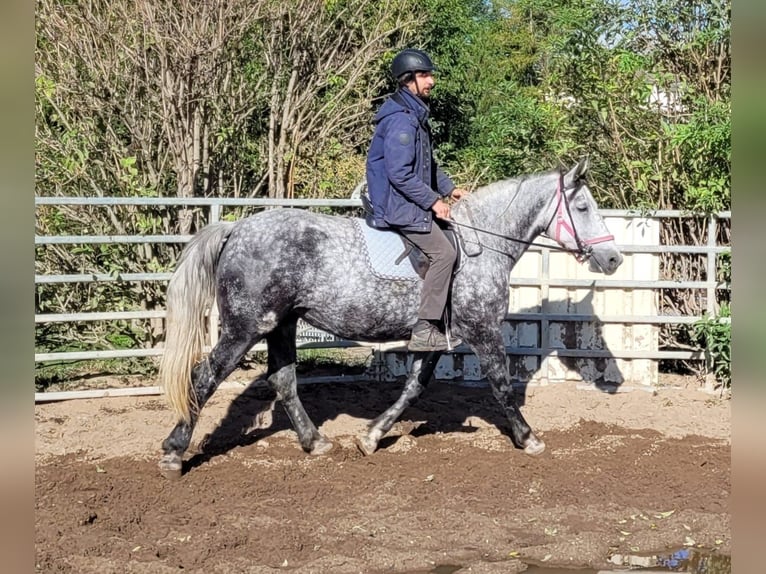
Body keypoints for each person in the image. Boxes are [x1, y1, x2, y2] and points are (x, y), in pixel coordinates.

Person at [365, 48, 466, 352]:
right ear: (408, 80)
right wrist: (435, 202)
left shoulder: (414, 115)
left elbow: (427, 164)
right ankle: (424, 330)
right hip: (399, 204)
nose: (431, 80)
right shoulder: (402, 122)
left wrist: (450, 189)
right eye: (425, 75)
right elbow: (400, 174)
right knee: (445, 254)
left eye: (430, 74)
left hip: (407, 200)